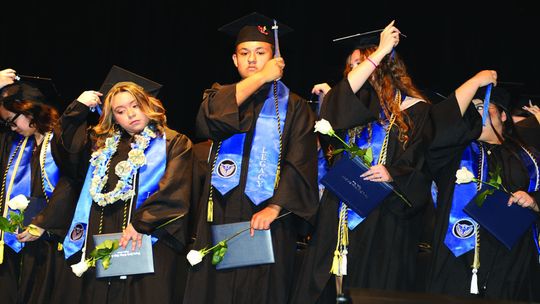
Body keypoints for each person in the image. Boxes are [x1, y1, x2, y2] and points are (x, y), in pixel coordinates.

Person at [291, 21, 433, 303]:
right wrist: (378, 51)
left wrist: (392, 173)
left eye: (363, 62)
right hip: (339, 211)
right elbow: (333, 108)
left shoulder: (416, 111)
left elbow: (420, 164)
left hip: (384, 214)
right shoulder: (351, 108)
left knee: (371, 287)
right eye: (353, 66)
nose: (357, 69)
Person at [183, 12, 319, 304]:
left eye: (261, 53)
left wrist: (276, 207)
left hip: (267, 216)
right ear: (235, 60)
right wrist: (260, 79)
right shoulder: (219, 95)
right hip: (220, 208)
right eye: (245, 53)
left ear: (276, 58)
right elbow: (208, 123)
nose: (252, 59)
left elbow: (301, 162)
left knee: (260, 291)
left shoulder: (294, 107)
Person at [54, 81, 193, 304]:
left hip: (147, 239)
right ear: (113, 117)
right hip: (101, 240)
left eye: (135, 105)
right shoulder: (101, 146)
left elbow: (175, 189)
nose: (130, 114)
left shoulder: (174, 142)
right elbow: (66, 151)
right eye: (120, 111)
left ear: (148, 104)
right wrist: (77, 109)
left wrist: (142, 223)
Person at [425, 71, 540, 301]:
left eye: (483, 107)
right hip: (458, 259)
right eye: (473, 109)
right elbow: (440, 127)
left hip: (512, 263)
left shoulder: (530, 158)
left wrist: (534, 200)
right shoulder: (454, 153)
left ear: (504, 115)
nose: (476, 115)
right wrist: (476, 82)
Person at [0, 80, 66, 304]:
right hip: (15, 243)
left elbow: (70, 187)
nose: (11, 128)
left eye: (12, 121)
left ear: (29, 110)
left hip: (48, 243)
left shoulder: (60, 140)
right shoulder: (14, 143)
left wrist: (44, 222)